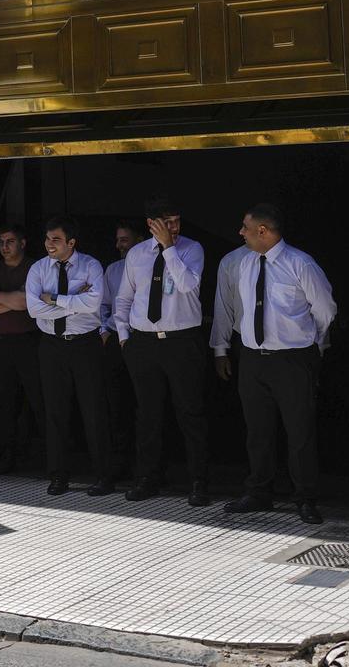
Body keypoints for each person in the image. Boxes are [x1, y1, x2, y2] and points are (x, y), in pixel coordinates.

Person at [223, 204, 336, 525]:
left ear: (263, 231)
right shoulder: (245, 264)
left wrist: (311, 344)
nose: (240, 232)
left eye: (245, 227)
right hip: (253, 359)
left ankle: (305, 497)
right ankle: (259, 491)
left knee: (299, 431)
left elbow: (325, 309)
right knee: (257, 430)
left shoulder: (300, 264)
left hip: (292, 359)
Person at [114, 196, 210, 507]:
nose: (174, 228)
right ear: (151, 225)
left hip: (182, 340)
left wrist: (169, 248)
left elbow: (187, 285)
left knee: (190, 411)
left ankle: (199, 480)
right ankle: (148, 477)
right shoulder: (137, 255)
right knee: (148, 413)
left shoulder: (191, 249)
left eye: (177, 221)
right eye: (166, 223)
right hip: (144, 342)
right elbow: (125, 297)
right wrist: (124, 337)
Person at [26, 216, 113, 496]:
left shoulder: (91, 265)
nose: (49, 244)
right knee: (55, 411)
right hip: (51, 345)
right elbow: (34, 309)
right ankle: (58, 476)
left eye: (56, 240)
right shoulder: (38, 269)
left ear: (71, 242)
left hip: (84, 344)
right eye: (47, 238)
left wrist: (55, 298)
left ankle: (103, 475)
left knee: (93, 409)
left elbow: (95, 302)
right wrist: (76, 303)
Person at [0, 223, 44, 473]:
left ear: (22, 243)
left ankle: (45, 458)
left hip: (29, 341)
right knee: (4, 402)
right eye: (1, 242)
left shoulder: (35, 268)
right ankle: (6, 457)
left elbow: (26, 303)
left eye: (10, 241)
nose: (4, 247)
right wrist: (10, 300)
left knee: (39, 398)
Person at [100, 220, 144, 478]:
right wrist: (103, 332)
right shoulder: (112, 270)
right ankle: (119, 464)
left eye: (124, 240)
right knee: (116, 404)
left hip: (143, 339)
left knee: (144, 404)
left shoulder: (150, 267)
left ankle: (146, 466)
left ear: (139, 241)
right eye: (117, 240)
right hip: (116, 341)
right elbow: (103, 305)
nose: (119, 246)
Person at [209, 244, 250, 382]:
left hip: (286, 347)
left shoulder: (295, 262)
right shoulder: (232, 260)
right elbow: (223, 307)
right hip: (245, 343)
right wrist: (220, 351)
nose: (241, 232)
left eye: (246, 227)